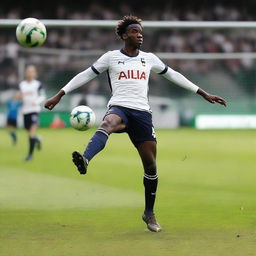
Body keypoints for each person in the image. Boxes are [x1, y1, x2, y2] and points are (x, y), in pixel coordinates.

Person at [45, 15, 227, 232]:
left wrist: (203, 93)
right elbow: (85, 75)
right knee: (107, 123)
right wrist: (60, 94)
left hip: (142, 114)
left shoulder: (149, 58)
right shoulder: (111, 58)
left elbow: (174, 75)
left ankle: (149, 213)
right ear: (124, 35)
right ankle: (85, 159)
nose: (139, 34)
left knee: (150, 166)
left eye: (140, 31)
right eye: (134, 31)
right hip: (119, 107)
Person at [19, 65, 46, 161]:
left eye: (31, 71)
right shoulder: (22, 85)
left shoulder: (37, 84)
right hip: (25, 110)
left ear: (35, 73)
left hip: (34, 110)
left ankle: (30, 155)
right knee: (28, 130)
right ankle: (37, 139)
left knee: (31, 132)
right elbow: (21, 96)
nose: (29, 73)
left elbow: (43, 96)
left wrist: (37, 102)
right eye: (28, 71)